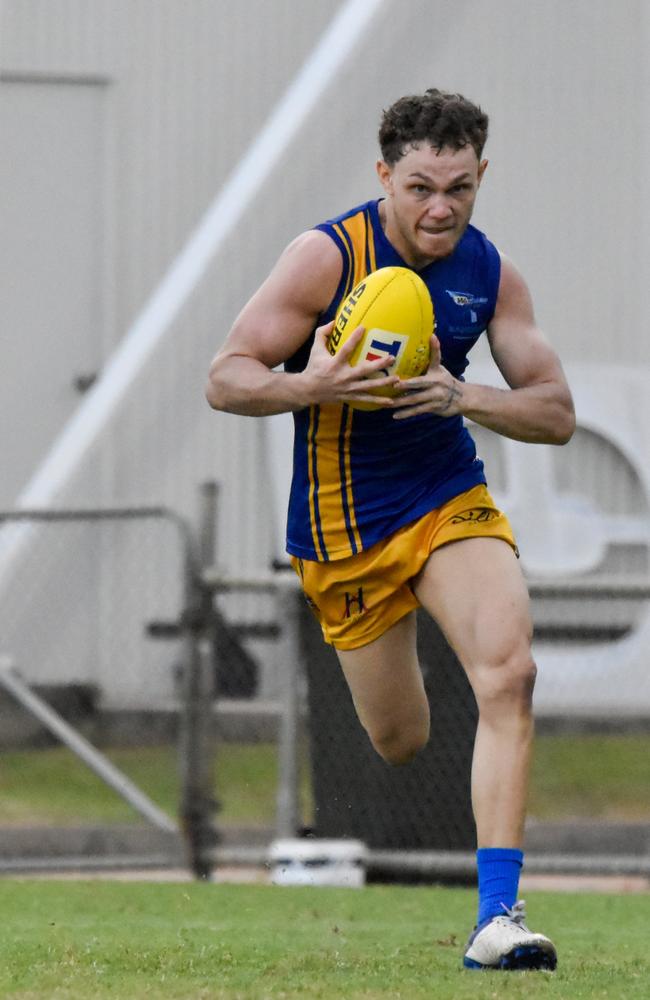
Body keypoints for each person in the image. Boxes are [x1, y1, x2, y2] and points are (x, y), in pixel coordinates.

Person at [205, 88, 575, 972]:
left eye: (459, 186)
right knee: (400, 738)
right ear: (384, 177)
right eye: (419, 187)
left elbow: (555, 412)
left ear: (481, 175)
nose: (440, 207)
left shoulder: (491, 272)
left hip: (444, 490)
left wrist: (467, 394)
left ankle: (498, 920)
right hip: (344, 525)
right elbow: (225, 376)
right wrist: (309, 385)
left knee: (511, 674)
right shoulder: (325, 258)